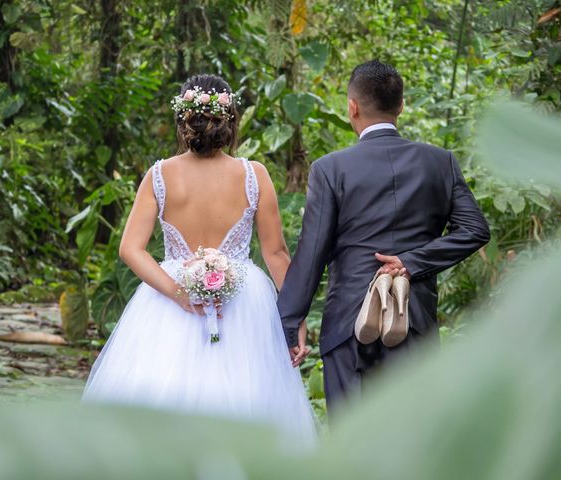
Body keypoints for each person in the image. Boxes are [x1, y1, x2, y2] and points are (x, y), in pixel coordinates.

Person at [82, 74, 316, 444]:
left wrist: (178, 292)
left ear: (183, 120)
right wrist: (295, 318)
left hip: (169, 306)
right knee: (247, 404)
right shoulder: (254, 176)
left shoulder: (160, 176)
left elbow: (131, 248)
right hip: (244, 305)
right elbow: (275, 254)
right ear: (231, 120)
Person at [277, 60, 490, 416]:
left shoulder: (330, 169)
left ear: (352, 107)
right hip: (414, 320)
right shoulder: (440, 162)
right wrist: (412, 263)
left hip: (349, 327)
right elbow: (474, 229)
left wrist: (288, 324)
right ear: (401, 106)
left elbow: (312, 253)